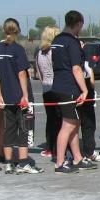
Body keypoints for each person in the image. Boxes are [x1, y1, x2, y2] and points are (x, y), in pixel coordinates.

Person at [50, 11, 93, 173]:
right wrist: (85, 89)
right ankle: (60, 163)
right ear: (79, 24)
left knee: (74, 123)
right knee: (68, 125)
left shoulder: (56, 40)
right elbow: (76, 68)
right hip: (69, 88)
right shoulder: (72, 42)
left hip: (58, 85)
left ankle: (77, 158)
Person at [0, 18, 43, 174]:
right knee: (25, 129)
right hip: (20, 97)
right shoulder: (18, 49)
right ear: (17, 31)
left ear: (4, 30)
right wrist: (25, 96)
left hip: (6, 98)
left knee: (8, 130)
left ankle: (8, 163)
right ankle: (23, 163)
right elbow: (22, 74)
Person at [36, 25, 61, 159]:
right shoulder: (54, 52)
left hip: (46, 89)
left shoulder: (39, 52)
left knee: (50, 119)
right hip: (57, 87)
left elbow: (39, 73)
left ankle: (49, 148)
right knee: (60, 119)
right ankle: (59, 148)